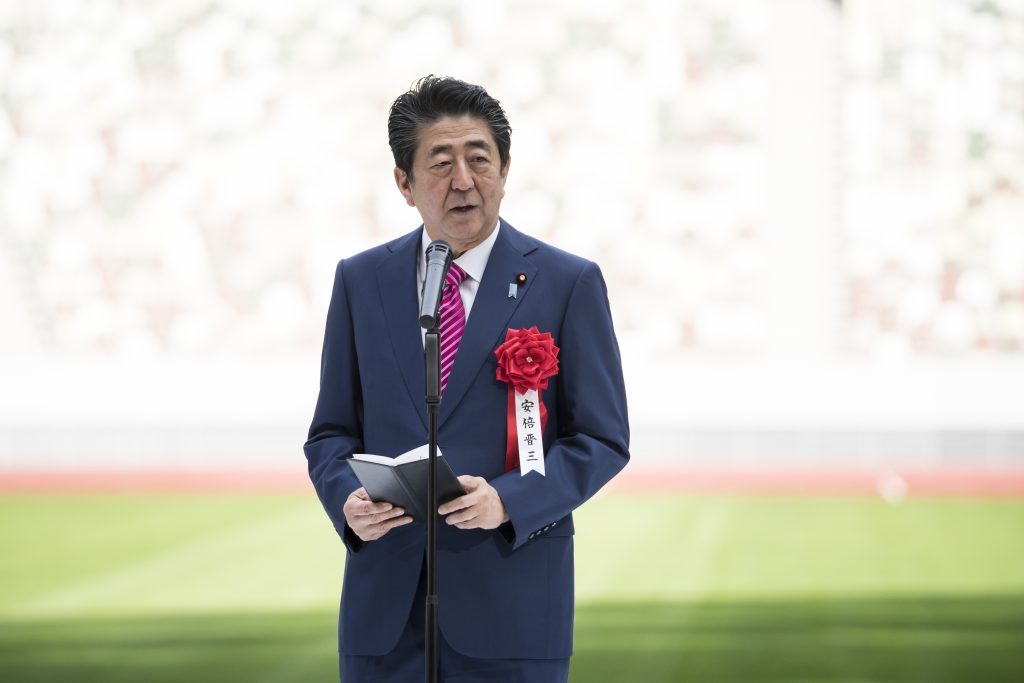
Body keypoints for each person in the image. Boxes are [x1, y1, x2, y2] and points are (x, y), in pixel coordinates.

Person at [304, 75, 629, 683]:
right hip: (384, 616)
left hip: (514, 606)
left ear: (505, 169)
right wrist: (345, 499)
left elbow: (603, 439)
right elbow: (330, 432)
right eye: (440, 163)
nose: (463, 181)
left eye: (479, 159)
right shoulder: (361, 280)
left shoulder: (567, 283)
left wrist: (509, 500)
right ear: (404, 183)